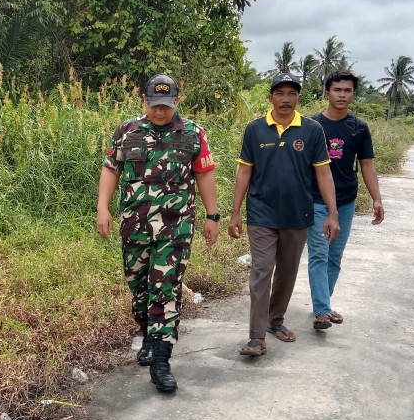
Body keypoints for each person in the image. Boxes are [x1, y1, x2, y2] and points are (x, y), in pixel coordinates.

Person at [97, 73, 220, 392]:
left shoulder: (192, 133)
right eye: (154, 105)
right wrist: (103, 208)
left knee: (164, 288)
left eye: (166, 105)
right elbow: (111, 168)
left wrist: (213, 215)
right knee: (138, 287)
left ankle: (162, 360)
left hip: (175, 227)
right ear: (144, 102)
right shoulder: (127, 131)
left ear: (176, 102)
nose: (160, 111)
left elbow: (204, 174)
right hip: (134, 227)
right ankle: (149, 334)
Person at [228, 72, 339, 356]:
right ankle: (256, 337)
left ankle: (274, 320)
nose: (285, 99)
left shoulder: (312, 130)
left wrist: (332, 213)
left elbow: (324, 172)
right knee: (262, 270)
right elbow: (244, 171)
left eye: (291, 94)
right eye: (280, 93)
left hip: (297, 214)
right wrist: (235, 212)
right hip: (261, 213)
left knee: (287, 272)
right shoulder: (255, 129)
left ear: (299, 98)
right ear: (271, 98)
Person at [307, 71, 384, 330]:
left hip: (346, 200)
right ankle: (321, 311)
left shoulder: (359, 128)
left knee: (334, 256)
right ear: (327, 92)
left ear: (353, 94)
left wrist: (377, 199)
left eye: (347, 90)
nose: (342, 95)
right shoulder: (312, 126)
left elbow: (367, 164)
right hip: (316, 200)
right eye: (337, 90)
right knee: (319, 253)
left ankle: (323, 304)